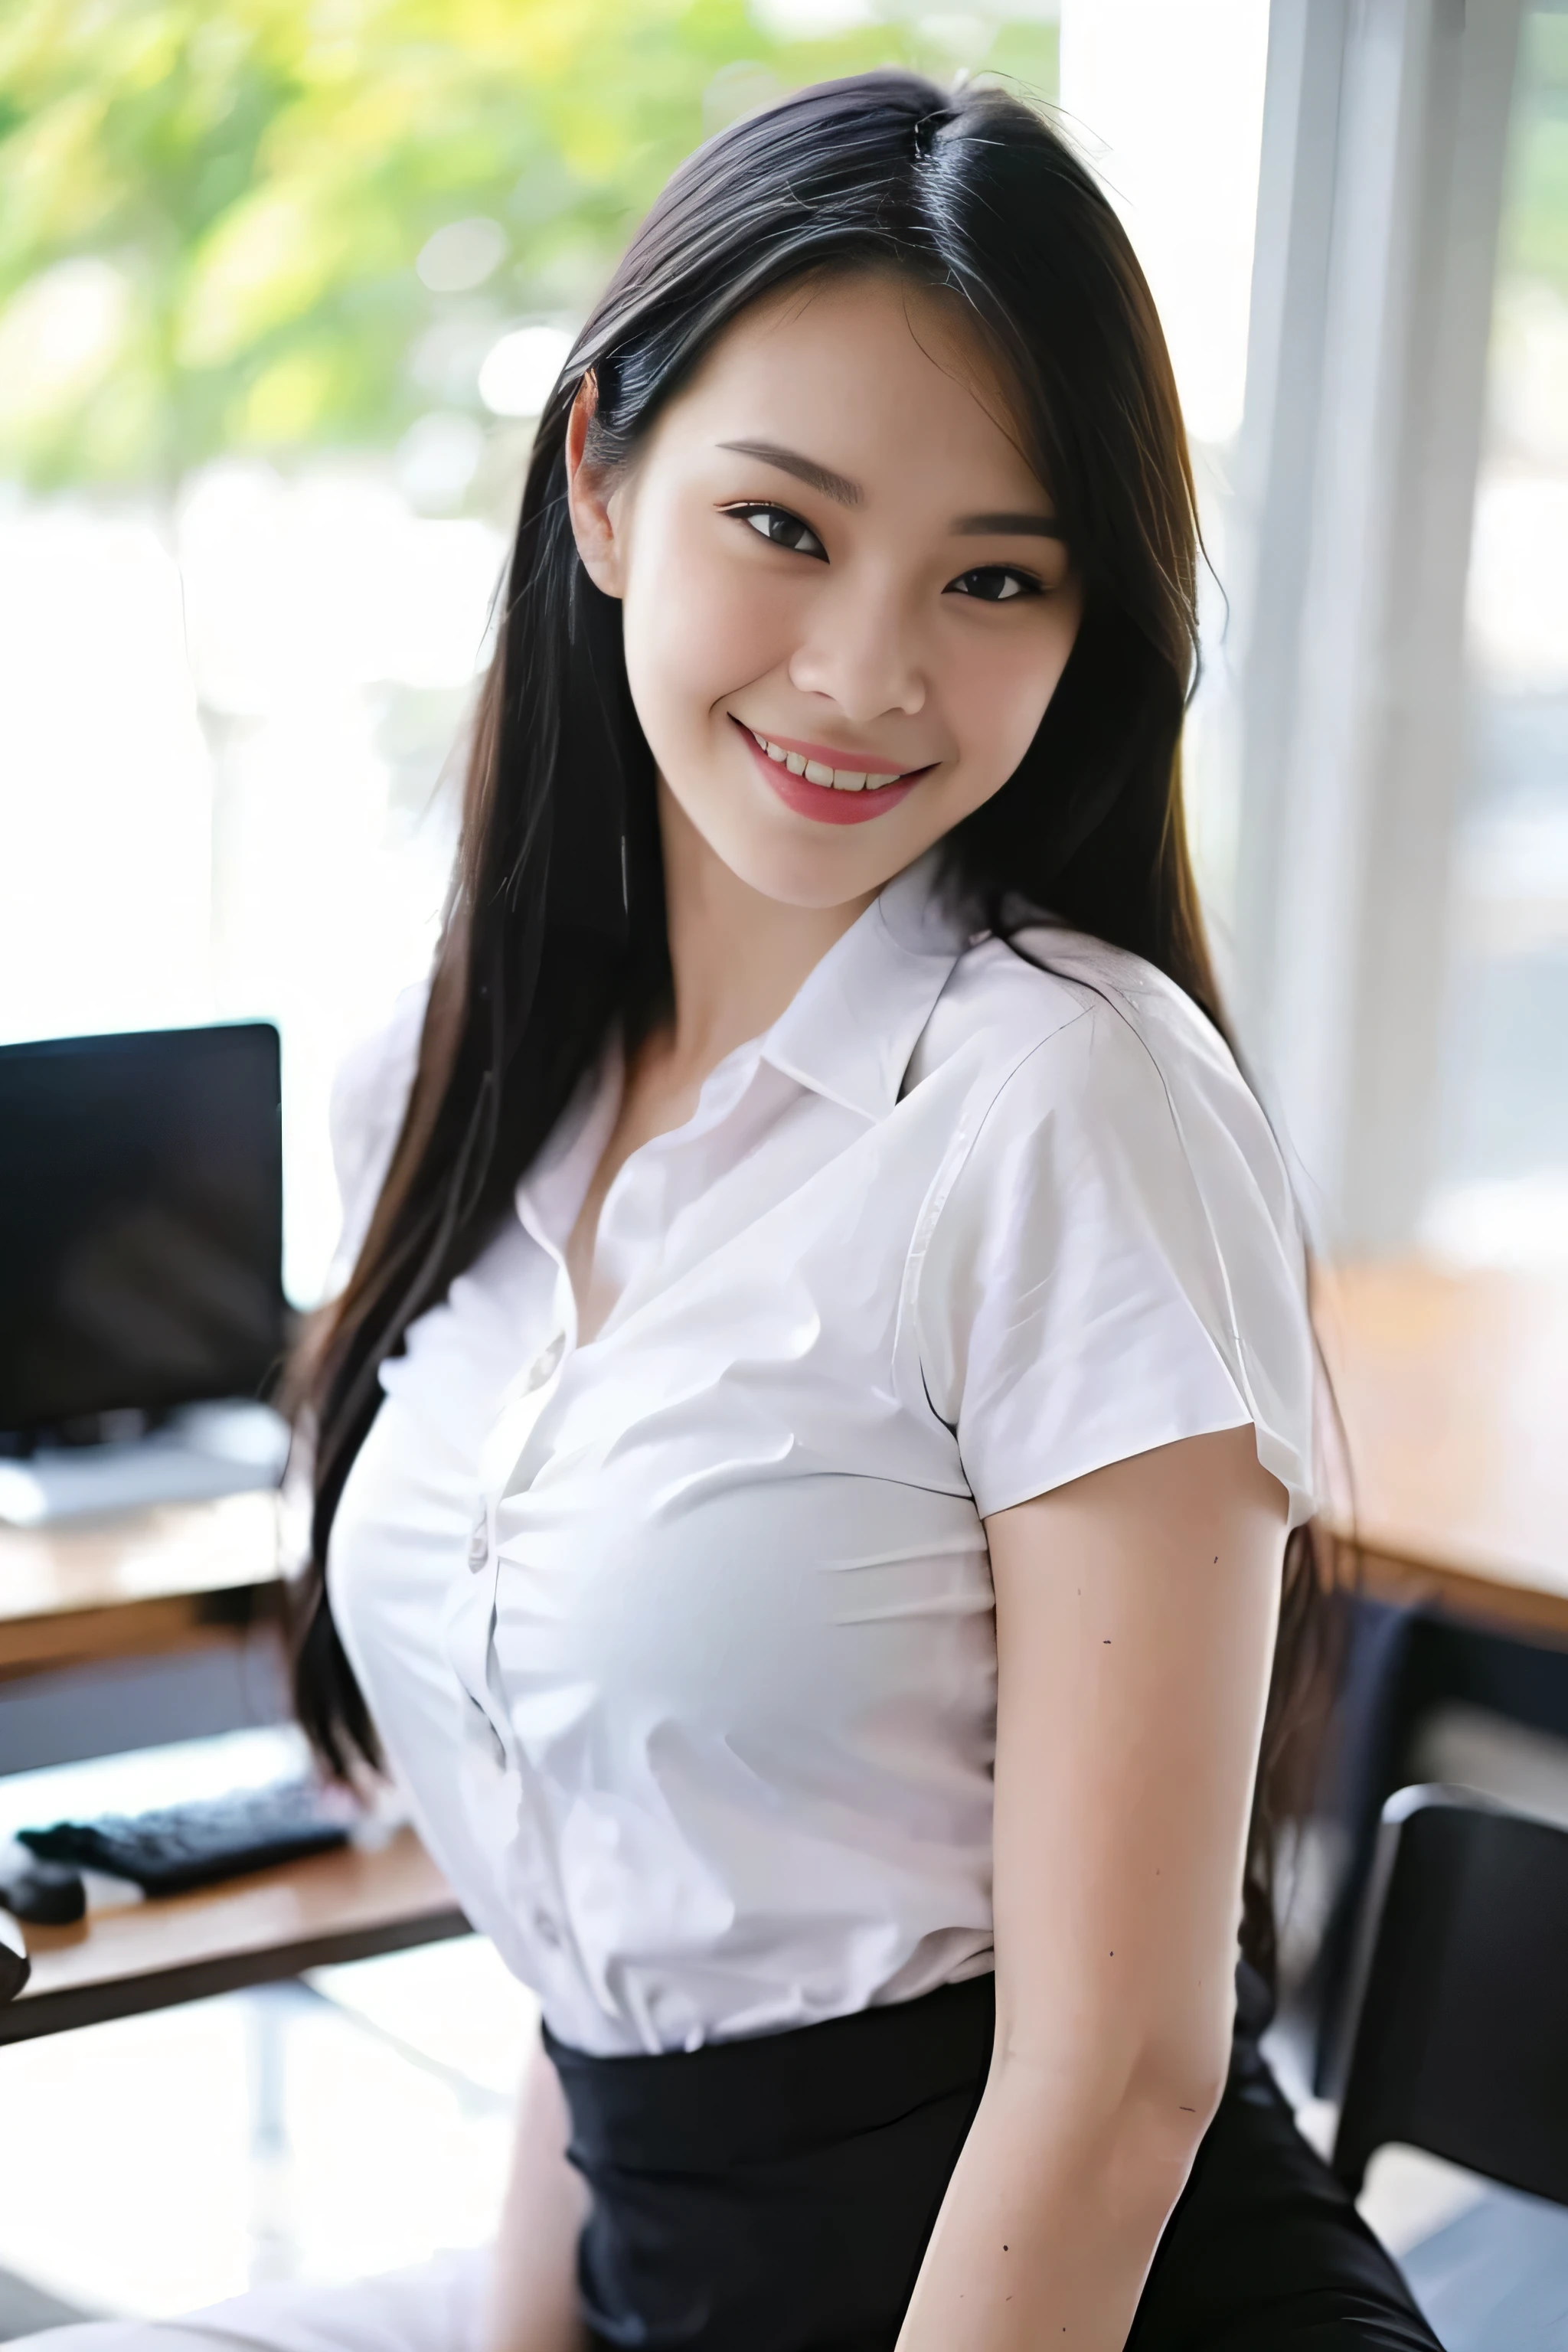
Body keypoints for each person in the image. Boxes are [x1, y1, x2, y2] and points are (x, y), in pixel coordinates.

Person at [30, 70, 1442, 2352]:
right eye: (784, 525)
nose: (870, 670)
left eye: (995, 577)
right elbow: (615, 1893)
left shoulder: (1066, 1103)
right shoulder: (470, 1061)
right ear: (600, 477)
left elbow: (1119, 2083)